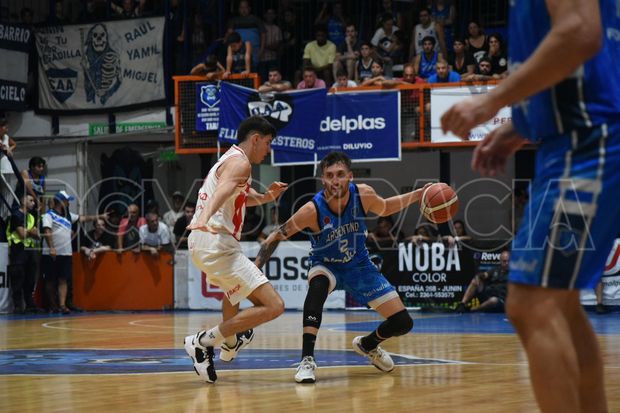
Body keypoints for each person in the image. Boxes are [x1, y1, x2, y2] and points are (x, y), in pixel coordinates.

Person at [440, 1, 620, 412]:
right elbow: (579, 58)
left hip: (590, 138)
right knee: (561, 303)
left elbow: (579, 31)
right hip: (568, 142)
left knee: (531, 301)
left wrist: (488, 102)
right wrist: (518, 126)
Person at [255, 152, 432, 383]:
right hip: (326, 265)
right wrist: (256, 267)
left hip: (359, 266)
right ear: (323, 179)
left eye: (340, 175)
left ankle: (368, 344)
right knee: (317, 288)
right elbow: (277, 235)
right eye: (329, 176)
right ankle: (307, 359)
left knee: (403, 323)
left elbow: (386, 207)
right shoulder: (312, 209)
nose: (335, 180)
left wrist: (419, 194)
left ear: (350, 176)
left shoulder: (364, 194)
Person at [184, 116, 288, 383]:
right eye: (267, 143)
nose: (268, 149)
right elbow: (224, 190)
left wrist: (265, 198)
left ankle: (230, 344)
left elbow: (237, 193)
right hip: (215, 241)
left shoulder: (230, 158)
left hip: (205, 243)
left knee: (234, 294)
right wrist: (203, 217)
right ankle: (202, 341)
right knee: (274, 306)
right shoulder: (240, 162)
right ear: (255, 139)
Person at [41, 190, 106, 314]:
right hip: (51, 253)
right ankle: (52, 305)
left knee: (63, 279)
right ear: (60, 201)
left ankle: (62, 305)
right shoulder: (49, 215)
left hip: (66, 253)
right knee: (50, 280)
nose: (68, 202)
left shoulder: (69, 216)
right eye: (66, 200)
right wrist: (51, 247)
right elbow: (47, 231)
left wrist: (100, 216)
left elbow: (84, 218)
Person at [6, 194, 39, 313]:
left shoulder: (31, 217)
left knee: (30, 278)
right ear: (23, 201)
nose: (33, 203)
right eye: (31, 200)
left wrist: (30, 232)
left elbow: (37, 235)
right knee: (18, 278)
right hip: (18, 250)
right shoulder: (16, 216)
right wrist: (31, 232)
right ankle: (18, 306)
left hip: (29, 250)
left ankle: (30, 304)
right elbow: (22, 234)